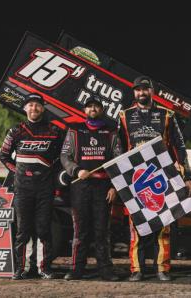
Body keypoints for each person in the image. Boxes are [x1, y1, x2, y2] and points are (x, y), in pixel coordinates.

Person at [118, 76, 191, 282]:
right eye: (138, 90)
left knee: (164, 225)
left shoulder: (167, 115)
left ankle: (162, 268)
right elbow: (118, 149)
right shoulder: (124, 116)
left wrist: (187, 176)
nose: (141, 93)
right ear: (133, 93)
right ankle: (136, 269)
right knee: (137, 227)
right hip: (135, 180)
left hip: (161, 177)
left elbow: (179, 146)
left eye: (145, 89)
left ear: (152, 91)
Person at [0, 94, 63, 280]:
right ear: (25, 108)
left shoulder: (54, 130)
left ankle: (44, 268)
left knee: (43, 229)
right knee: (23, 231)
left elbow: (63, 157)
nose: (34, 108)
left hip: (45, 188)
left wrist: (50, 174)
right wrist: (18, 172)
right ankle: (22, 269)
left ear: (43, 108)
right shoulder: (15, 130)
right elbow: (4, 156)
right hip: (22, 189)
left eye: (37, 105)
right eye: (31, 105)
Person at [60, 96, 122, 281]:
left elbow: (118, 160)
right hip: (81, 186)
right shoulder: (74, 130)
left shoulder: (111, 131)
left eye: (96, 106)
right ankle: (77, 269)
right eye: (89, 106)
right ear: (84, 110)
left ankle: (106, 270)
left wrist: (113, 186)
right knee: (80, 230)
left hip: (103, 187)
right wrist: (77, 170)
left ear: (101, 109)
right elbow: (65, 156)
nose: (92, 109)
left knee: (102, 230)